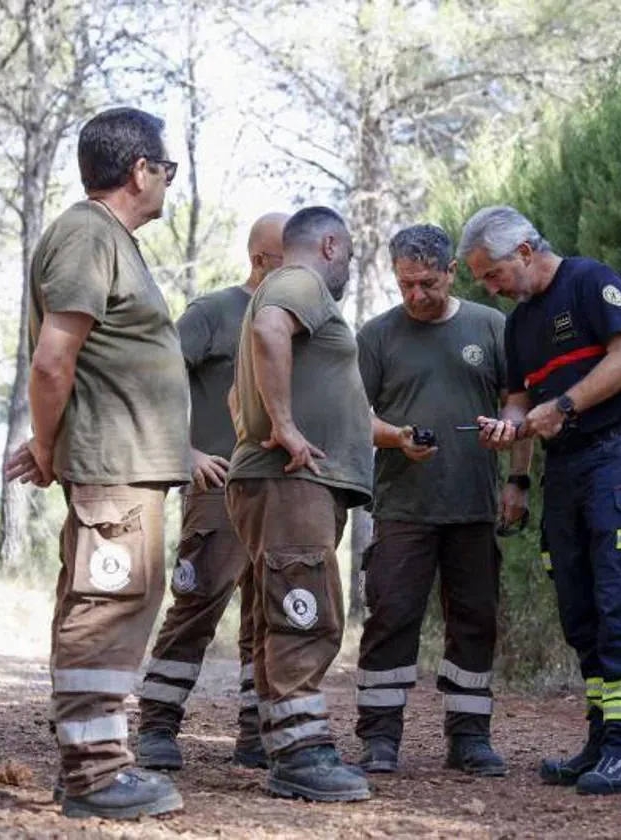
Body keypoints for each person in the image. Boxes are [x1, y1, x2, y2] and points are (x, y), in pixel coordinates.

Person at [4, 107, 189, 819]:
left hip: (130, 466)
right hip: (112, 465)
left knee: (117, 605)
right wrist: (48, 448)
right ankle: (95, 772)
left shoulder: (109, 240)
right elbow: (54, 359)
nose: (168, 183)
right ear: (139, 169)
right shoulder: (87, 233)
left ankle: (94, 763)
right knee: (104, 608)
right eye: (165, 169)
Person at [460, 206, 621, 796]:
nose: (491, 288)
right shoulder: (520, 323)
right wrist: (509, 434)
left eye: (493, 274)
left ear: (524, 251)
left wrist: (565, 406)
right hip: (566, 469)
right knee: (580, 610)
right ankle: (602, 741)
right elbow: (521, 402)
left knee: (620, 601)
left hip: (620, 456)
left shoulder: (593, 281)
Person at [352, 224, 533, 777]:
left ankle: (470, 737)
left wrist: (516, 480)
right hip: (403, 508)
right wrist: (397, 438)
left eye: (427, 283)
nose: (415, 296)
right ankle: (380, 737)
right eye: (405, 284)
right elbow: (354, 417)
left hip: (474, 506)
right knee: (391, 618)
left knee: (476, 619)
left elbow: (519, 405)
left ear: (452, 272)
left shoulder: (491, 326)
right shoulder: (378, 335)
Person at [224, 206, 373, 802]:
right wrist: (283, 425)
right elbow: (269, 331)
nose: (348, 269)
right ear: (330, 245)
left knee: (280, 609)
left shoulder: (294, 290)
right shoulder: (300, 280)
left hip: (284, 483)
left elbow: (241, 390)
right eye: (352, 257)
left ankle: (282, 743)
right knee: (303, 609)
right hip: (289, 481)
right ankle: (303, 758)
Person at [135, 212, 290, 773]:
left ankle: (256, 733)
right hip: (218, 488)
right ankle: (157, 724)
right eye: (288, 257)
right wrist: (186, 452)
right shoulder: (215, 313)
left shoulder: (299, 318)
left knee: (269, 617)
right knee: (198, 603)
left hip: (279, 490)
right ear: (260, 260)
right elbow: (155, 377)